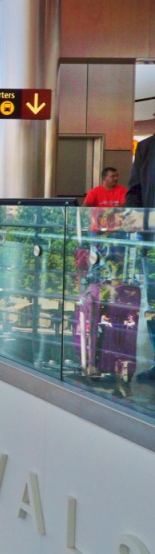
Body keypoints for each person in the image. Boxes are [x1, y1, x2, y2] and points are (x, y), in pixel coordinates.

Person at [127, 139, 155, 382]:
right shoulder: (146, 148)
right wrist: (139, 225)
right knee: (154, 304)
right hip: (152, 238)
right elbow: (134, 192)